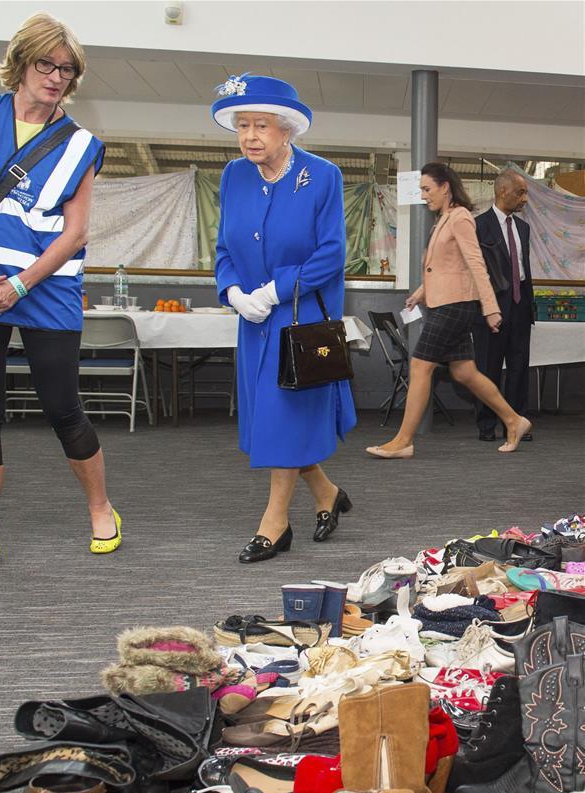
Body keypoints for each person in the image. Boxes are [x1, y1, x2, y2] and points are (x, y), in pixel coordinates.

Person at [0, 12, 121, 574]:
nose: (56, 76)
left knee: (63, 407)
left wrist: (19, 284)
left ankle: (101, 507)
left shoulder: (83, 143)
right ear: (21, 63)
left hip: (44, 289)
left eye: (67, 69)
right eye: (46, 63)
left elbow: (77, 232)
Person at [212, 75, 357, 563]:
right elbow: (223, 247)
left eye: (262, 126)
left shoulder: (322, 176)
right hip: (253, 317)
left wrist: (275, 289)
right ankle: (326, 493)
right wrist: (233, 291)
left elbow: (332, 254)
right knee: (277, 417)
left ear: (288, 129)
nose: (251, 136)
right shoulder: (233, 175)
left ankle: (275, 523)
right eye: (243, 125)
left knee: (281, 413)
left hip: (297, 316)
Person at [366, 162, 531, 460]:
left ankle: (403, 440)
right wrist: (419, 293)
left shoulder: (460, 218)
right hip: (445, 302)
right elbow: (441, 268)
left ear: (445, 187)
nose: (424, 195)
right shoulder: (442, 220)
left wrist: (491, 309)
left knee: (420, 366)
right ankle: (513, 420)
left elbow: (476, 264)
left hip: (455, 306)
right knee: (465, 372)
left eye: (427, 189)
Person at [473, 169, 534, 441]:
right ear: (502, 192)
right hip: (491, 309)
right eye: (520, 193)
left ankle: (517, 422)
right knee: (489, 367)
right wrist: (486, 308)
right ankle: (487, 425)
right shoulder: (478, 225)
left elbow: (523, 269)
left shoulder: (524, 227)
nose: (525, 199)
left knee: (520, 367)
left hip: (521, 307)